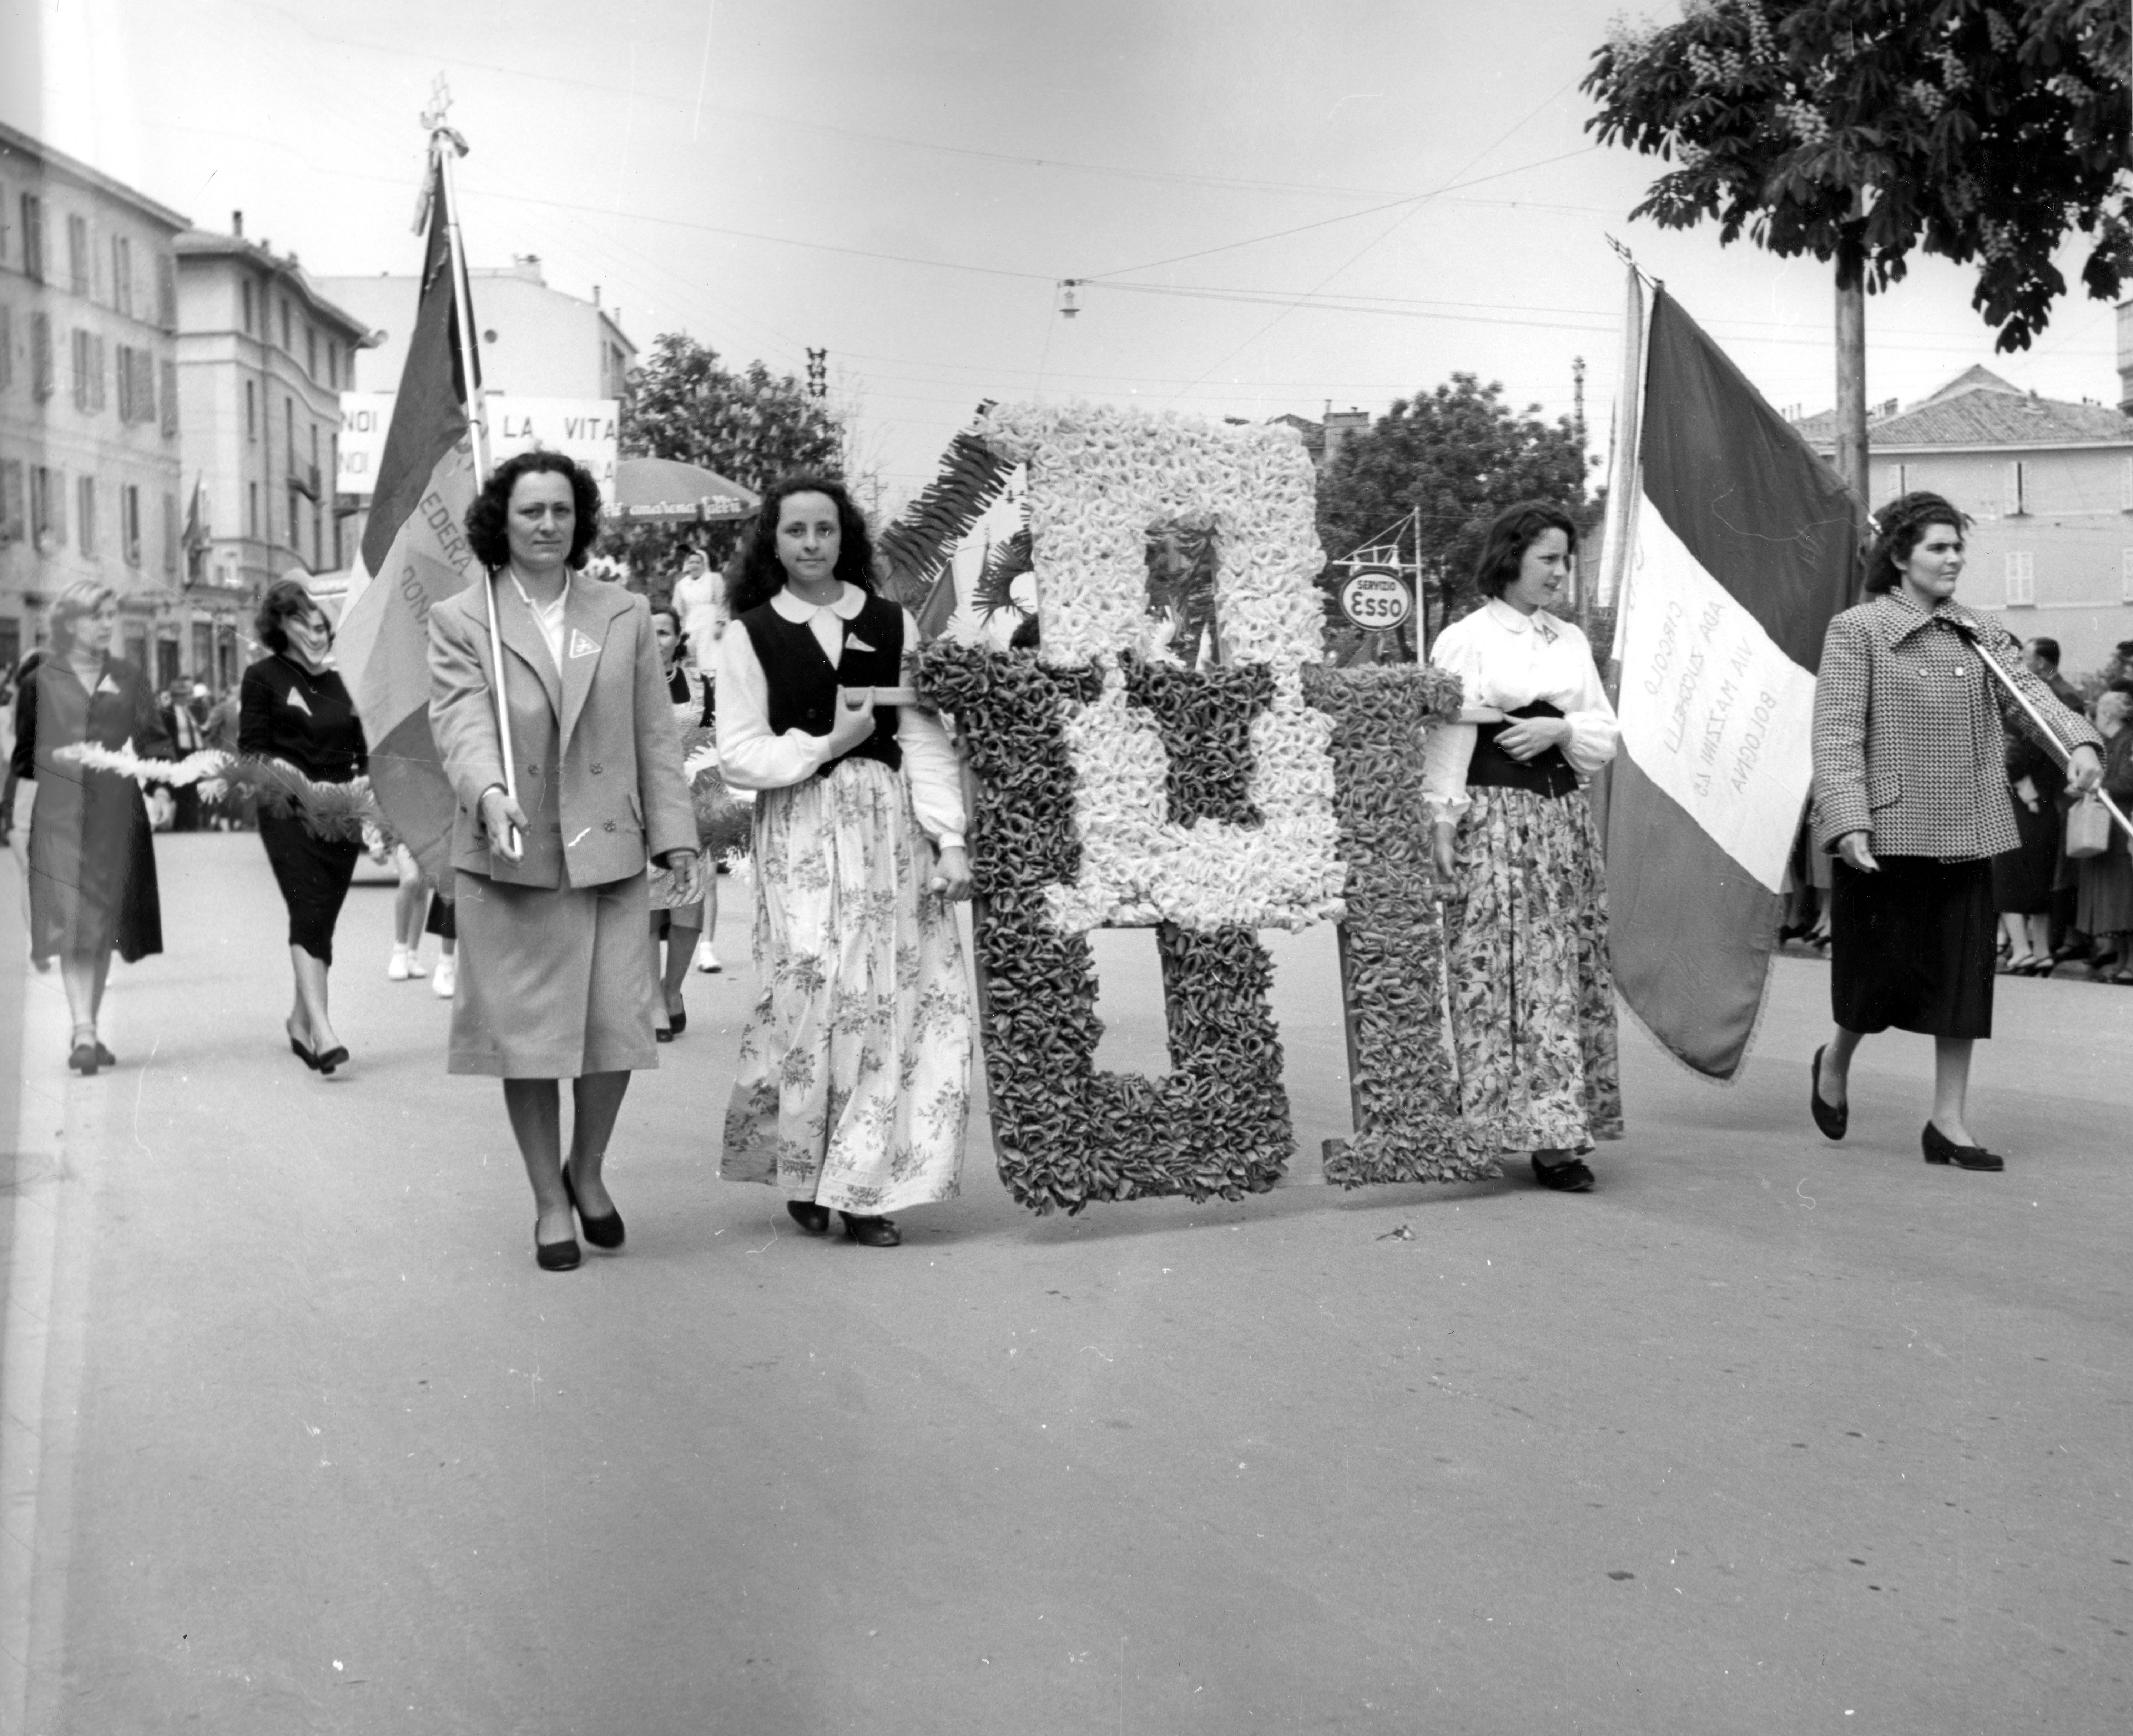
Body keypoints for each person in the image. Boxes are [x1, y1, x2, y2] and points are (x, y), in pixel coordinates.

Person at [429, 450, 698, 1272]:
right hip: (512, 854)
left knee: (615, 1028)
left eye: (560, 510)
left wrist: (675, 835)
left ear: (580, 519)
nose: (547, 525)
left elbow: (655, 734)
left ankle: (588, 1167)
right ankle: (550, 1197)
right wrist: (487, 793)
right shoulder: (461, 617)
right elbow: (461, 723)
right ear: (499, 523)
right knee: (532, 1040)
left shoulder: (621, 612)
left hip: (609, 852)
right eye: (529, 511)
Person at [716, 473, 974, 1247]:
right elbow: (739, 753)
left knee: (883, 999)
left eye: (824, 530)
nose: (811, 545)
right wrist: (826, 746)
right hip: (802, 826)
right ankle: (807, 1166)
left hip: (886, 829)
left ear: (845, 537)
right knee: (813, 992)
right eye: (795, 531)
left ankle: (866, 1187)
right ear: (775, 542)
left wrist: (949, 837)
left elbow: (923, 737)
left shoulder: (891, 623)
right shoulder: (751, 633)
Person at [1809, 493, 2103, 1172]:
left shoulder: (1979, 631)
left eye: (1957, 547)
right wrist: (1849, 817)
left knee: (1961, 980)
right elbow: (1835, 733)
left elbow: (2031, 700)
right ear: (1901, 555)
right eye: (1939, 547)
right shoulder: (1858, 629)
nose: (1953, 559)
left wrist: (2079, 746)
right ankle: (1835, 1059)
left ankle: (1948, 1122)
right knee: (1873, 981)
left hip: (1966, 827)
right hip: (1885, 832)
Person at [1421, 501, 1623, 1192]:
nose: (1560, 574)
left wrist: (1560, 733)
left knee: (1558, 975)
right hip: (1495, 818)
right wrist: (1443, 821)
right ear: (1512, 558)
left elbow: (1602, 731)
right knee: (1492, 971)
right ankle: (1486, 1124)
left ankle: (1557, 1138)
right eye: (1549, 560)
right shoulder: (1467, 638)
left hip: (1560, 819)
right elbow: (1447, 734)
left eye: (1565, 560)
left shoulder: (1568, 641)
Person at [10, 584, 173, 1073]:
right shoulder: (41, 681)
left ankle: (87, 1029)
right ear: (71, 622)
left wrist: (164, 789)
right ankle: (84, 1029)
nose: (106, 625)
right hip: (60, 814)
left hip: (117, 813)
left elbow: (154, 740)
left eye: (110, 615)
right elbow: (24, 759)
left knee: (100, 927)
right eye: (96, 616)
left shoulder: (128, 677)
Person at [240, 580, 368, 1075]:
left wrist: (374, 807)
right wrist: (293, 781)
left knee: (321, 922)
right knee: (307, 906)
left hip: (341, 814)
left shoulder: (346, 682)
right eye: (299, 621)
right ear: (282, 627)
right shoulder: (263, 676)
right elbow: (251, 750)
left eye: (318, 621)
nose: (313, 630)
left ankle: (298, 1020)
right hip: (286, 810)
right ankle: (323, 1030)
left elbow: (364, 756)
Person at [644, 601, 717, 1034]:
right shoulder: (627, 684)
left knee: (691, 903)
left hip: (693, 806)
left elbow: (716, 744)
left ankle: (673, 988)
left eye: (665, 633)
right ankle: (653, 999)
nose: (657, 642)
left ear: (678, 638)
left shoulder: (702, 684)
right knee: (650, 906)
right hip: (645, 807)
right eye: (649, 633)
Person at [2074, 681, 2133, 984]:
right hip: (2110, 829)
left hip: (2123, 829)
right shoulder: (2112, 743)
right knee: (2118, 899)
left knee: (2126, 896)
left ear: (2109, 715)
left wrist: (2095, 785)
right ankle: (2124, 960)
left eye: (2099, 711)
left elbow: (2128, 782)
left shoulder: (2128, 742)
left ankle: (2130, 963)